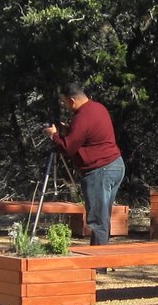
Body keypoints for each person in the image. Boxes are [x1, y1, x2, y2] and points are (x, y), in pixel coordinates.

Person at [44, 82, 126, 245]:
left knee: (98, 220)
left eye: (64, 102)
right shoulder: (98, 108)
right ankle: (102, 254)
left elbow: (68, 147)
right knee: (103, 217)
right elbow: (88, 136)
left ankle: (99, 259)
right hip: (115, 164)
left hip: (100, 170)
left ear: (72, 100)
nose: (65, 106)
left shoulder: (82, 117)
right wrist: (70, 131)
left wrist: (53, 135)